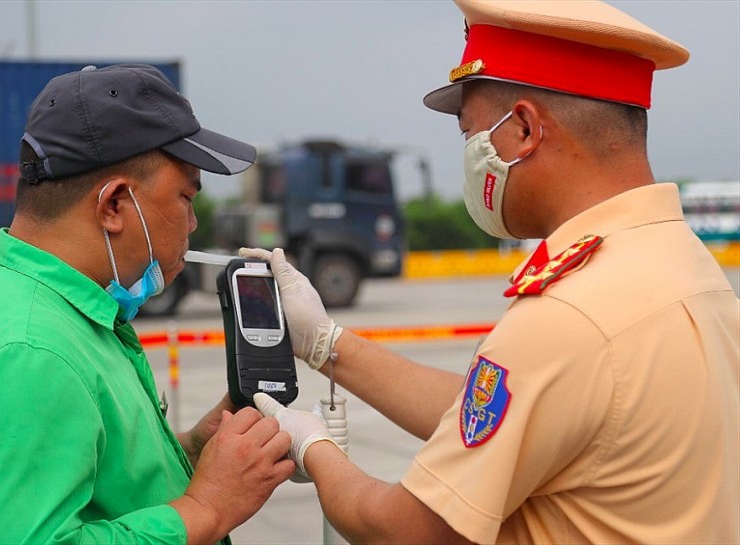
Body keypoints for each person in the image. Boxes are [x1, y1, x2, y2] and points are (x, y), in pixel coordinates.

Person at [243, 1, 740, 543]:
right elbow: (499, 414)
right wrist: (326, 343)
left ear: (524, 129)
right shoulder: (684, 262)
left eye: (470, 135)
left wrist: (313, 446)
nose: (469, 155)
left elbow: (401, 532)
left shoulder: (570, 315)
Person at [0, 64, 294, 545]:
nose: (192, 224)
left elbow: (85, 479)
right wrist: (206, 507)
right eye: (185, 197)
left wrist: (191, 451)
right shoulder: (29, 352)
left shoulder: (50, 306)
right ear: (114, 205)